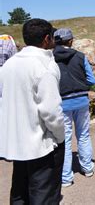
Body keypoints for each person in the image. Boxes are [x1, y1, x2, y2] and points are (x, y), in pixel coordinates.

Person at [0, 18, 65, 204]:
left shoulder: (9, 65)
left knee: (20, 193)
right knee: (43, 195)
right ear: (46, 39)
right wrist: (60, 137)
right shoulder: (44, 67)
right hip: (41, 145)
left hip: (16, 143)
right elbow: (51, 112)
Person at [53, 28, 95, 188]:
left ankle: (66, 177)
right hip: (81, 101)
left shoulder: (51, 58)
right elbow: (92, 80)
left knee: (65, 139)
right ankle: (87, 168)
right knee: (83, 134)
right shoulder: (80, 56)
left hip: (61, 103)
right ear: (71, 41)